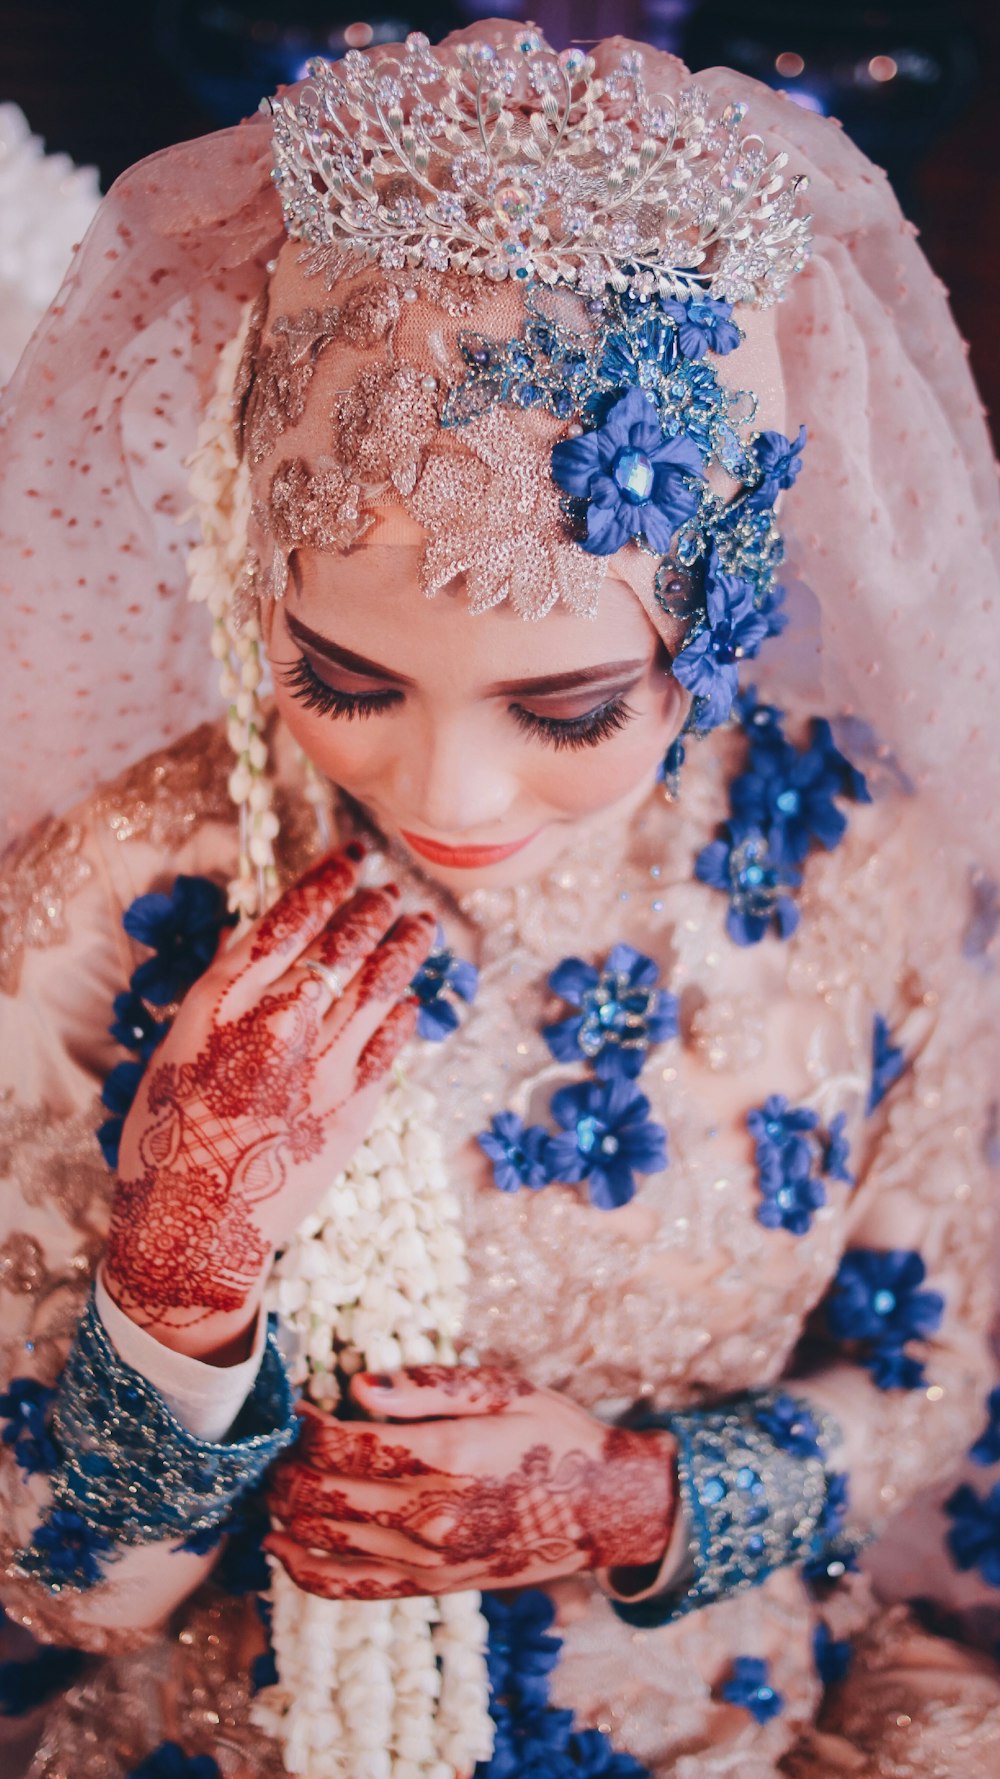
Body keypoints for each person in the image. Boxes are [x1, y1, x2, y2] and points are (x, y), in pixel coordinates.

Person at [1, 21, 999, 1778]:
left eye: (568, 709)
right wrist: (184, 1274)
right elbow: (63, 1593)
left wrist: (643, 1497)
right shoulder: (124, 889)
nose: (445, 800)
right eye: (343, 675)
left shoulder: (865, 870)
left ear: (719, 628)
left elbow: (939, 1372)